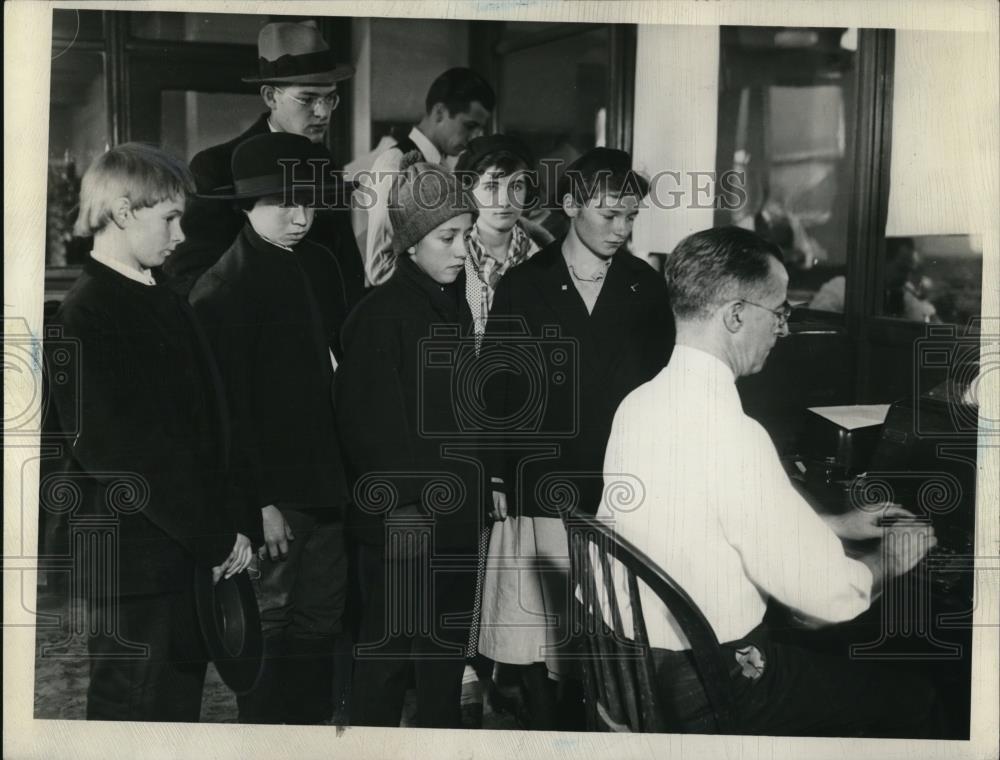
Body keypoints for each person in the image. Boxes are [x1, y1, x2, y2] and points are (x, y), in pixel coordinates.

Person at [597, 225, 944, 737]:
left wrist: (833, 524)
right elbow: (827, 598)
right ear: (736, 314)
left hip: (629, 667)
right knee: (919, 697)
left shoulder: (638, 403)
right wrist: (889, 560)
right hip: (711, 685)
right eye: (779, 313)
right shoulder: (734, 433)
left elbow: (696, 521)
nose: (783, 330)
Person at [49, 143, 254, 721]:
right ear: (120, 212)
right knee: (132, 709)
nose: (182, 235)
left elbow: (208, 425)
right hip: (130, 560)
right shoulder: (86, 313)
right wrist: (212, 535)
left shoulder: (157, 293)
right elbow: (122, 451)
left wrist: (225, 524)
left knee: (175, 709)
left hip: (179, 548)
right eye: (169, 218)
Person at [478, 147, 675, 729]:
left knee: (606, 623)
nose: (622, 229)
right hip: (542, 479)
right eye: (609, 215)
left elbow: (664, 385)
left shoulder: (646, 287)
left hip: (620, 481)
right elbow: (499, 387)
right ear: (569, 205)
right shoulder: (524, 284)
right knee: (536, 625)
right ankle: (544, 727)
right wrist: (495, 474)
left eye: (631, 217)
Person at [188, 132, 352, 725]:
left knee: (321, 620)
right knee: (271, 622)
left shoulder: (321, 263)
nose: (301, 218)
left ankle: (305, 736)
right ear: (245, 206)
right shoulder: (221, 291)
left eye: (309, 203)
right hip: (275, 499)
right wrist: (257, 504)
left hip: (330, 486)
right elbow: (224, 421)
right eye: (285, 204)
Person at [335, 156, 483, 728]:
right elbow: (370, 434)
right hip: (405, 525)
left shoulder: (449, 306)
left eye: (466, 235)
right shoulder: (380, 316)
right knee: (388, 665)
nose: (460, 249)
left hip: (452, 518)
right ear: (412, 242)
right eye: (448, 236)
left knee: (442, 664)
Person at [452, 134, 552, 723]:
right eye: (490, 184)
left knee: (511, 543)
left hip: (518, 408)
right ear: (469, 188)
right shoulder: (445, 244)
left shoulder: (540, 250)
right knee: (469, 539)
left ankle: (507, 663)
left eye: (516, 185)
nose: (504, 197)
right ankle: (464, 663)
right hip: (460, 407)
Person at [163, 20, 365, 308]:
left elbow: (347, 267)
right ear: (271, 96)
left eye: (330, 98)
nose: (322, 112)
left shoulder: (324, 162)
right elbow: (190, 279)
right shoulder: (215, 166)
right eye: (307, 99)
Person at [357, 67, 494, 286]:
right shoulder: (393, 163)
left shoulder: (446, 167)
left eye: (481, 129)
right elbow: (378, 268)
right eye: (469, 126)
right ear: (439, 112)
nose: (475, 137)